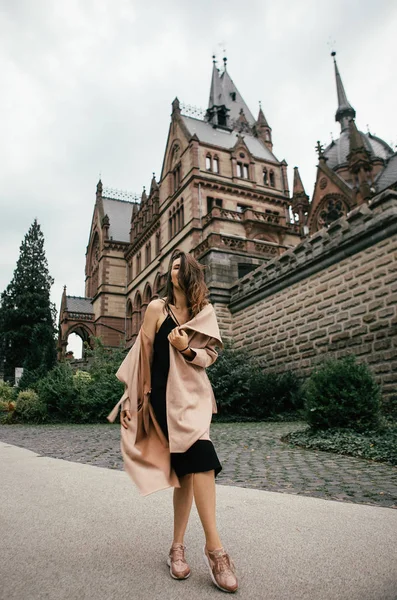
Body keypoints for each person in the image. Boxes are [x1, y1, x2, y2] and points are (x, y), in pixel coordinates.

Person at [109, 250, 238, 594]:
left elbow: (209, 356)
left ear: (192, 273)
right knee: (184, 471)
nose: (175, 270)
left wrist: (185, 349)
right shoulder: (156, 309)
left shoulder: (204, 312)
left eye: (181, 266)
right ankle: (177, 549)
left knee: (202, 460)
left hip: (194, 397)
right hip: (164, 398)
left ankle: (215, 550)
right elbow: (144, 351)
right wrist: (139, 396)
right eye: (173, 267)